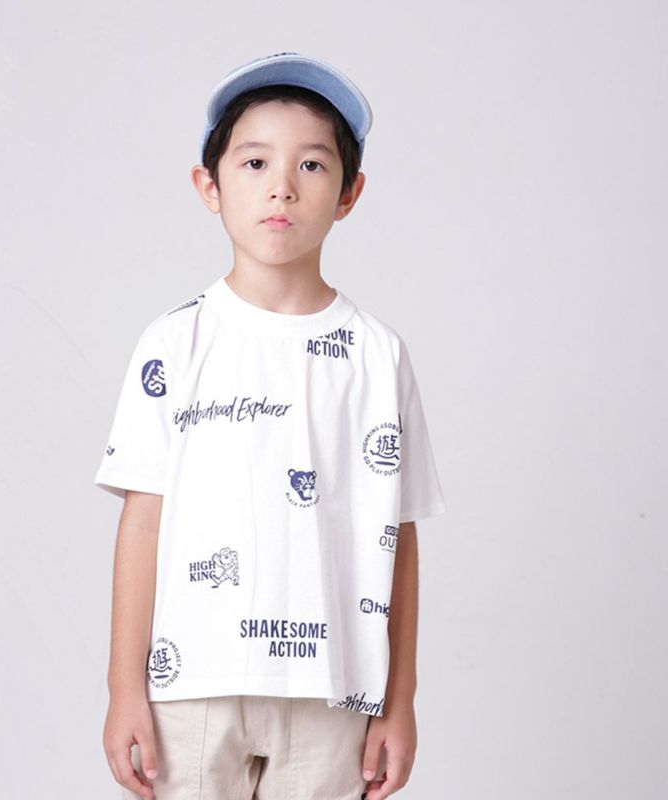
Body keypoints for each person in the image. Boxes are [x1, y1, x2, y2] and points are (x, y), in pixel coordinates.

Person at [95, 51, 447, 800]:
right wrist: (125, 687)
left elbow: (400, 535)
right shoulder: (173, 344)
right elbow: (143, 521)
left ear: (349, 194)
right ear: (209, 186)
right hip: (191, 687)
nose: (282, 186)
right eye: (255, 162)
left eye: (312, 165)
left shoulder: (377, 356)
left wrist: (400, 699)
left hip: (332, 693)